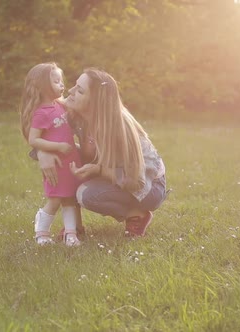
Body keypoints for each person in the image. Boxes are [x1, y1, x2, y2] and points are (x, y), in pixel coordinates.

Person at [37, 68, 167, 237]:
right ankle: (75, 227)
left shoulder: (120, 128)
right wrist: (42, 152)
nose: (71, 91)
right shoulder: (76, 113)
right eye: (75, 85)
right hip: (114, 173)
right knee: (63, 157)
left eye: (80, 90)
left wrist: (99, 170)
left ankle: (137, 215)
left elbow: (137, 181)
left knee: (86, 195)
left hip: (148, 187)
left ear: (95, 102)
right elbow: (41, 129)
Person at [20, 62, 82, 246]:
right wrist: (58, 147)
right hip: (56, 164)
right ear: (42, 86)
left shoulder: (59, 106)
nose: (61, 85)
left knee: (69, 198)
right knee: (55, 199)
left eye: (61, 80)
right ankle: (41, 232)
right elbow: (34, 140)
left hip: (70, 161)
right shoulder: (41, 113)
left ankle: (71, 233)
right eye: (56, 81)